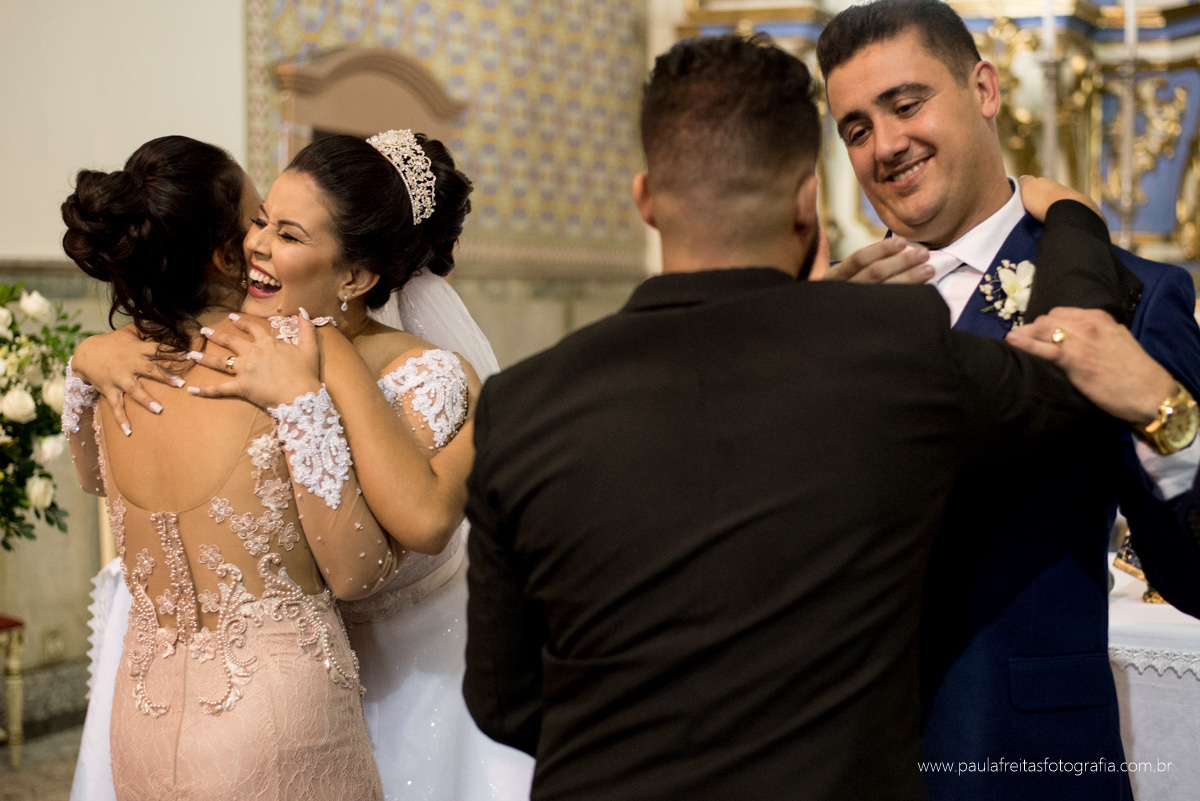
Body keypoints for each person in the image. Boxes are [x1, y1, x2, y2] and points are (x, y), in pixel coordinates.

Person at [461, 34, 1153, 801]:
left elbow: (503, 697)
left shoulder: (520, 404)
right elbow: (1064, 377)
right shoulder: (883, 353)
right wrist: (1079, 227)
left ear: (645, 198)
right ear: (806, 200)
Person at [69, 132, 535, 801]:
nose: (255, 245)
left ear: (354, 276)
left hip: (413, 688)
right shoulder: (262, 352)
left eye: (286, 233)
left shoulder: (415, 372)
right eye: (258, 221)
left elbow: (418, 524)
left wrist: (498, 409)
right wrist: (90, 354)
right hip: (288, 696)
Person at [816, 2, 1200, 798]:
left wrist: (1168, 412)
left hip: (1024, 760)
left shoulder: (1133, 293)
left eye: (906, 103)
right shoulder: (837, 308)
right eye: (855, 128)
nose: (885, 146)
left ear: (984, 88)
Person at [61, 134, 393, 799]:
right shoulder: (298, 351)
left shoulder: (109, 369)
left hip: (143, 718)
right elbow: (358, 572)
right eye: (256, 221)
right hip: (277, 721)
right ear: (223, 252)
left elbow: (93, 479)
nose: (264, 240)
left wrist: (85, 357)